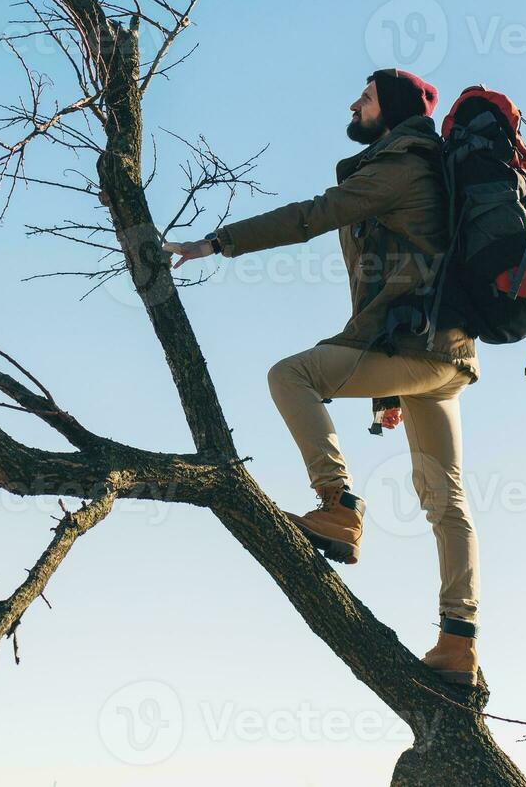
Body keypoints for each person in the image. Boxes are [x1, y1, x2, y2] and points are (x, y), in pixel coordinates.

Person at [164, 69, 482, 685]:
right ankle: (459, 643)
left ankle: (337, 504)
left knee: (291, 376)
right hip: (445, 356)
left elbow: (312, 216)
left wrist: (216, 244)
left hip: (418, 347)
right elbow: (405, 274)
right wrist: (390, 387)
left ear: (388, 110)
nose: (353, 105)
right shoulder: (423, 167)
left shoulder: (400, 165)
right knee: (448, 504)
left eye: (364, 98)